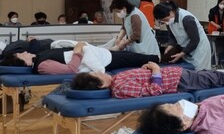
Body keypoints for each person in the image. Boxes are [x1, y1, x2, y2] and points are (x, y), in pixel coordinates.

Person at [72, 60, 224, 98]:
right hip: (179, 82)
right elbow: (155, 91)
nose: (101, 72)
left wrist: (147, 69)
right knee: (216, 78)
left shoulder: (117, 79)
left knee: (213, 74)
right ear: (100, 85)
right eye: (97, 75)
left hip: (177, 75)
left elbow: (144, 80)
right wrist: (155, 70)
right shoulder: (119, 88)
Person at [1, 41, 158, 74]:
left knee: (138, 56)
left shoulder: (39, 57)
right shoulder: (42, 65)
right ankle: (162, 60)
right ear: (23, 62)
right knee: (138, 59)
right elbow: (71, 69)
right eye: (21, 54)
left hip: (97, 54)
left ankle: (161, 58)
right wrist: (78, 50)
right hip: (99, 61)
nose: (25, 52)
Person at [153, 1, 211, 70]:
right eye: (163, 21)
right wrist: (170, 46)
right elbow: (173, 37)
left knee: (199, 72)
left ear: (171, 13)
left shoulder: (187, 19)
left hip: (199, 50)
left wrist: (182, 53)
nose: (165, 22)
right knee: (189, 72)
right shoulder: (169, 21)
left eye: (165, 20)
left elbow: (195, 40)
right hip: (187, 50)